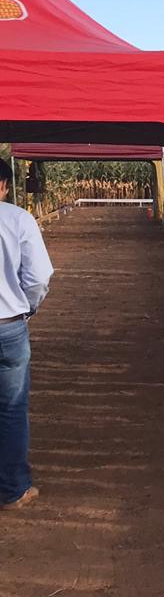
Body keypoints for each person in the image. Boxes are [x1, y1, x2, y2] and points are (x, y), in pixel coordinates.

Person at [0, 158, 53, 509]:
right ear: (4, 184)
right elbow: (38, 278)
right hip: (8, 327)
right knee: (11, 409)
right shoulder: (17, 219)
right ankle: (13, 489)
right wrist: (25, 307)